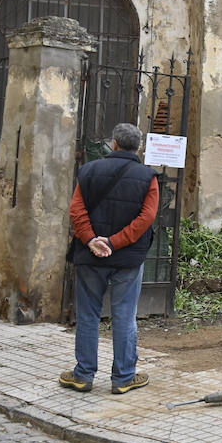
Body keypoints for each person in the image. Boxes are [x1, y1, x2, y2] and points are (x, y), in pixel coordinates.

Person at [59, 122, 159, 395]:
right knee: (125, 315)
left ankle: (83, 375)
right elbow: (146, 219)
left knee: (88, 315)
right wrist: (116, 243)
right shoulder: (148, 177)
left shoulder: (89, 170)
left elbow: (76, 211)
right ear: (138, 147)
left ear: (113, 143)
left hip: (91, 256)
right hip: (127, 257)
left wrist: (92, 240)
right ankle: (124, 377)